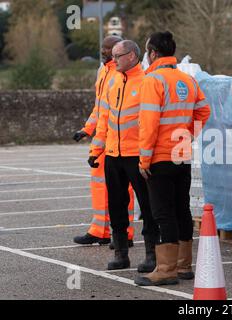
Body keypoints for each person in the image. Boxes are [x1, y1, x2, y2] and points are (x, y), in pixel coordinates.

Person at [134, 31, 210, 286]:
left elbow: (149, 123)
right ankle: (183, 266)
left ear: (153, 53)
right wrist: (189, 136)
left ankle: (165, 270)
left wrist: (144, 160)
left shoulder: (152, 80)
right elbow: (204, 110)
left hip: (160, 157)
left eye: (147, 51)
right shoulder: (187, 79)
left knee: (162, 212)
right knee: (181, 209)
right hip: (182, 154)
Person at [89, 40, 158, 271]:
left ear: (132, 56)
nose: (113, 59)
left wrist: (147, 155)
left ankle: (152, 255)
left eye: (118, 56)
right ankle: (121, 254)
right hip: (113, 155)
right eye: (113, 56)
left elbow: (150, 123)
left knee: (148, 207)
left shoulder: (147, 81)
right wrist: (96, 149)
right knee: (117, 206)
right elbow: (103, 120)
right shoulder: (113, 81)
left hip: (136, 156)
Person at [72, 35, 135, 248]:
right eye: (103, 47)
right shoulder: (103, 71)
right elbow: (99, 108)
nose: (103, 51)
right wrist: (86, 129)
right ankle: (100, 230)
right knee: (100, 186)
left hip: (117, 139)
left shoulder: (119, 73)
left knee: (122, 189)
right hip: (103, 138)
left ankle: (125, 233)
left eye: (107, 48)